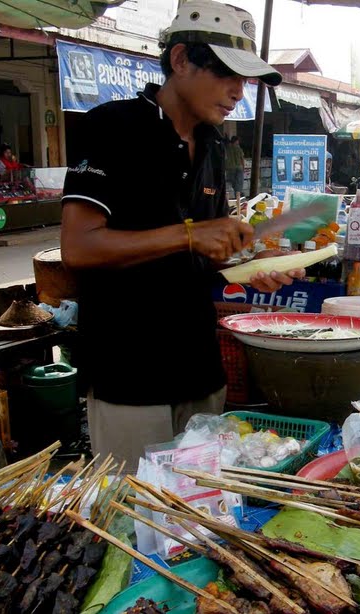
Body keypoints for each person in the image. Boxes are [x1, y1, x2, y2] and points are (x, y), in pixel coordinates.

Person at [59, 0, 299, 471]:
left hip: (199, 369)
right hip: (130, 374)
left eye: (245, 80)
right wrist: (190, 234)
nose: (237, 92)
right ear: (181, 59)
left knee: (199, 515)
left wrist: (243, 267)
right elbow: (79, 246)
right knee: (138, 519)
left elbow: (201, 251)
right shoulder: (113, 127)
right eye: (226, 73)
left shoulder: (212, 146)